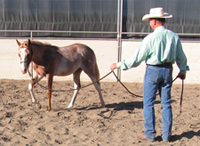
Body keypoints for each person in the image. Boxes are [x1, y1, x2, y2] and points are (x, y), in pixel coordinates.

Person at [110, 7, 189, 142]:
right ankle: (166, 135)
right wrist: (182, 71)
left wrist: (118, 65)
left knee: (148, 103)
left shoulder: (150, 38)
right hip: (168, 70)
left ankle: (150, 134)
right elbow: (181, 57)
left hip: (153, 70)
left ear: (153, 21)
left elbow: (136, 59)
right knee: (166, 103)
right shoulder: (174, 37)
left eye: (149, 21)